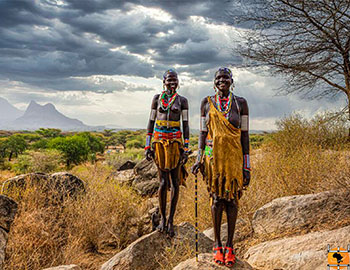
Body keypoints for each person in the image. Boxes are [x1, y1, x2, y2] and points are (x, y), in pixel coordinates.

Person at [191, 67, 251, 267]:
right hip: (212, 158)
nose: (222, 80)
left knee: (232, 201)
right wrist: (199, 158)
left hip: (234, 159)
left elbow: (245, 135)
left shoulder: (241, 103)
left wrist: (247, 166)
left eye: (226, 77)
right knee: (216, 200)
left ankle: (230, 246)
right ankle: (216, 245)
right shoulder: (206, 104)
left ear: (232, 80)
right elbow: (201, 133)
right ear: (214, 81)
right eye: (218, 78)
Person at [145, 69, 190, 237]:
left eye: (175, 80)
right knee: (163, 183)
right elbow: (150, 122)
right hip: (159, 144)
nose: (172, 83)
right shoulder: (157, 99)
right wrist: (147, 145)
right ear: (164, 82)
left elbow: (185, 125)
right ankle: (163, 219)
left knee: (175, 182)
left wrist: (185, 147)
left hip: (175, 145)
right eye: (169, 80)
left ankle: (171, 220)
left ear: (178, 82)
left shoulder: (182, 101)